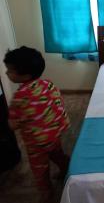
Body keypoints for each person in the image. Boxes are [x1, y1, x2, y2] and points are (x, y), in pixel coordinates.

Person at [3, 46, 70, 202]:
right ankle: (66, 168)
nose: (7, 73)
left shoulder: (20, 97)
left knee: (39, 169)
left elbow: (13, 125)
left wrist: (11, 121)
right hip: (54, 134)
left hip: (35, 142)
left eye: (10, 71)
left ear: (25, 74)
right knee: (57, 154)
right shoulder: (48, 84)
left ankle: (46, 193)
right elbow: (56, 103)